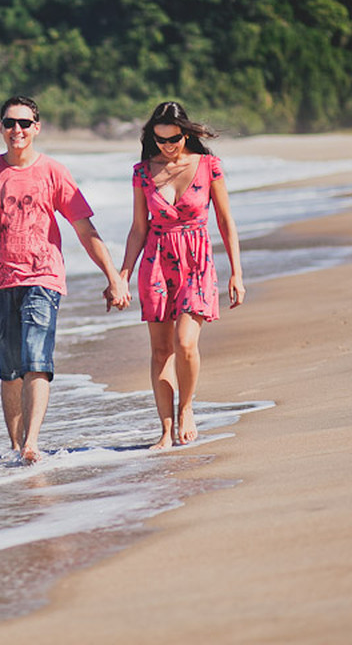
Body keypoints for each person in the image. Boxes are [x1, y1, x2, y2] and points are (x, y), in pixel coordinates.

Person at [0, 96, 131, 463]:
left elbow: (84, 228)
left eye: (24, 123)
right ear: (0, 127)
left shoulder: (53, 172)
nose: (16, 130)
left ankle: (31, 442)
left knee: (37, 361)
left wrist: (114, 276)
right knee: (10, 371)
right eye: (9, 123)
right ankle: (17, 447)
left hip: (43, 278)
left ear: (37, 127)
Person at [118, 101, 245, 450]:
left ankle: (187, 408)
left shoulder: (208, 166)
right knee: (160, 351)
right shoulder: (143, 172)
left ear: (185, 133)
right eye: (160, 141)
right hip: (156, 261)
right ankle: (165, 428)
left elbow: (225, 222)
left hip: (196, 260)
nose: (167, 147)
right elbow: (137, 230)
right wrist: (122, 275)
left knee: (185, 343)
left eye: (173, 139)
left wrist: (237, 272)